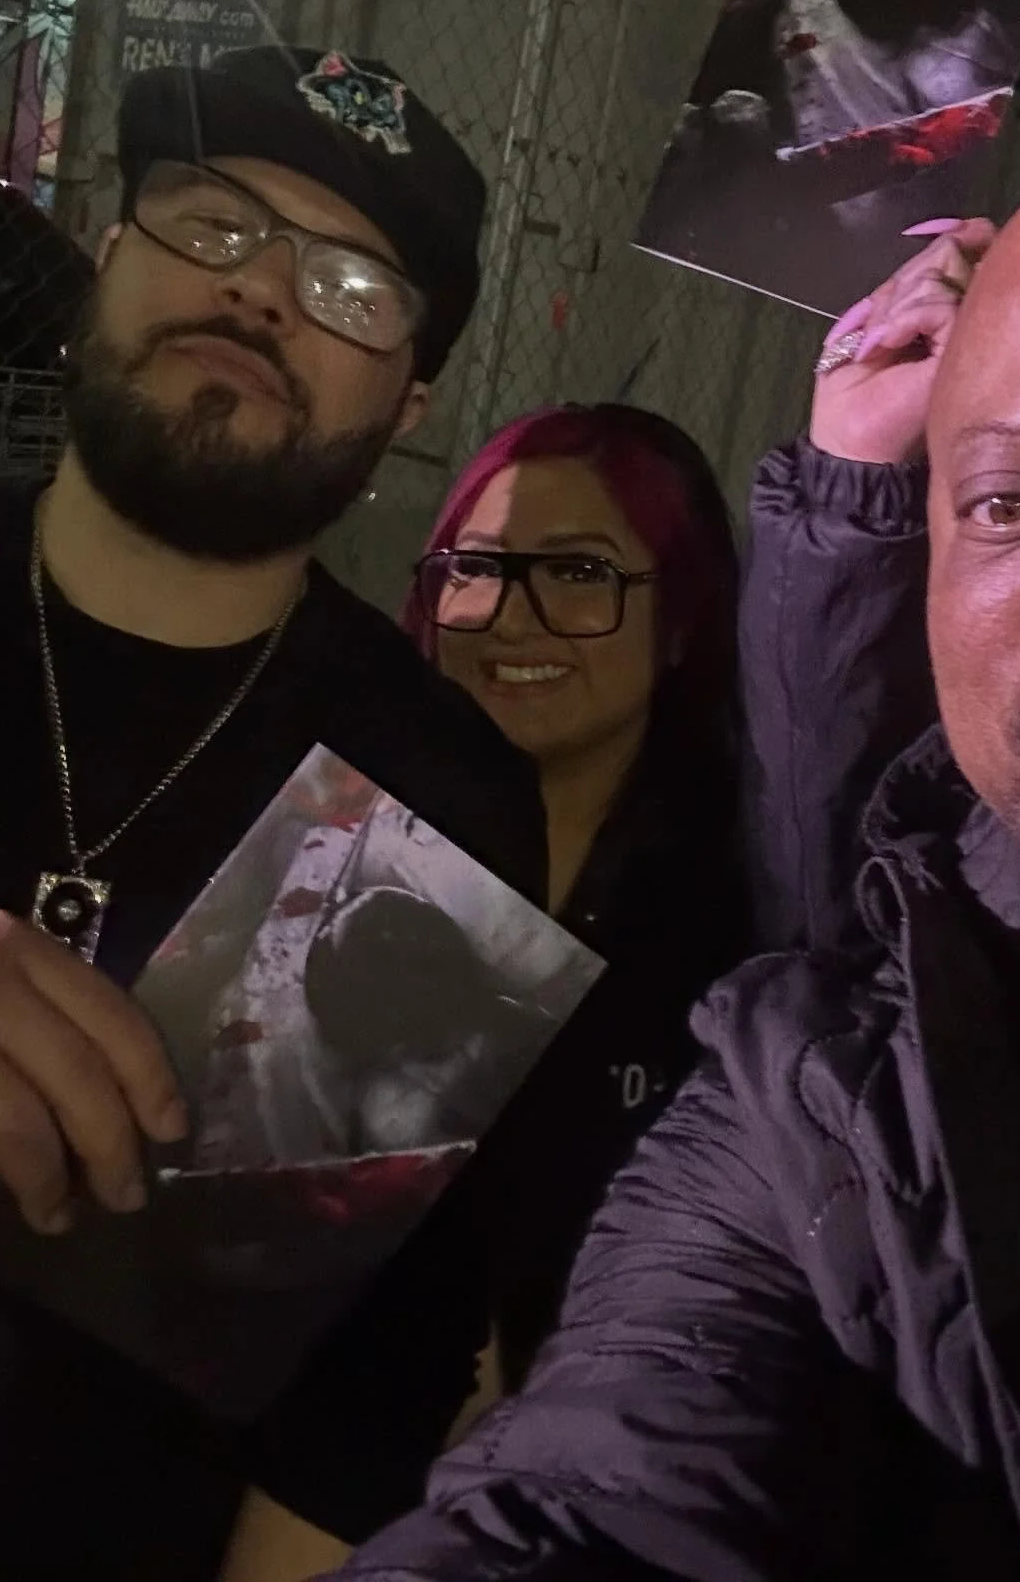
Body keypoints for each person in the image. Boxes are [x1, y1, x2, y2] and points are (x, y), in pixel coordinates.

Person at [327, 143, 1020, 1581]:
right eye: (1010, 500)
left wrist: (848, 495)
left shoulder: (709, 901)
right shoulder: (816, 1100)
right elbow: (595, 1487)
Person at [0, 44, 547, 1582]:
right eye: (214, 221)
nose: (264, 291)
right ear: (107, 256)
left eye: (351, 287)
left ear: (411, 403)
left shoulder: (434, 794)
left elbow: (362, 1383)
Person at [398, 403, 748, 1387]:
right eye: (477, 566)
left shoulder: (736, 909)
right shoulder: (343, 842)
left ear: (682, 622)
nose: (511, 615)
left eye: (581, 572)